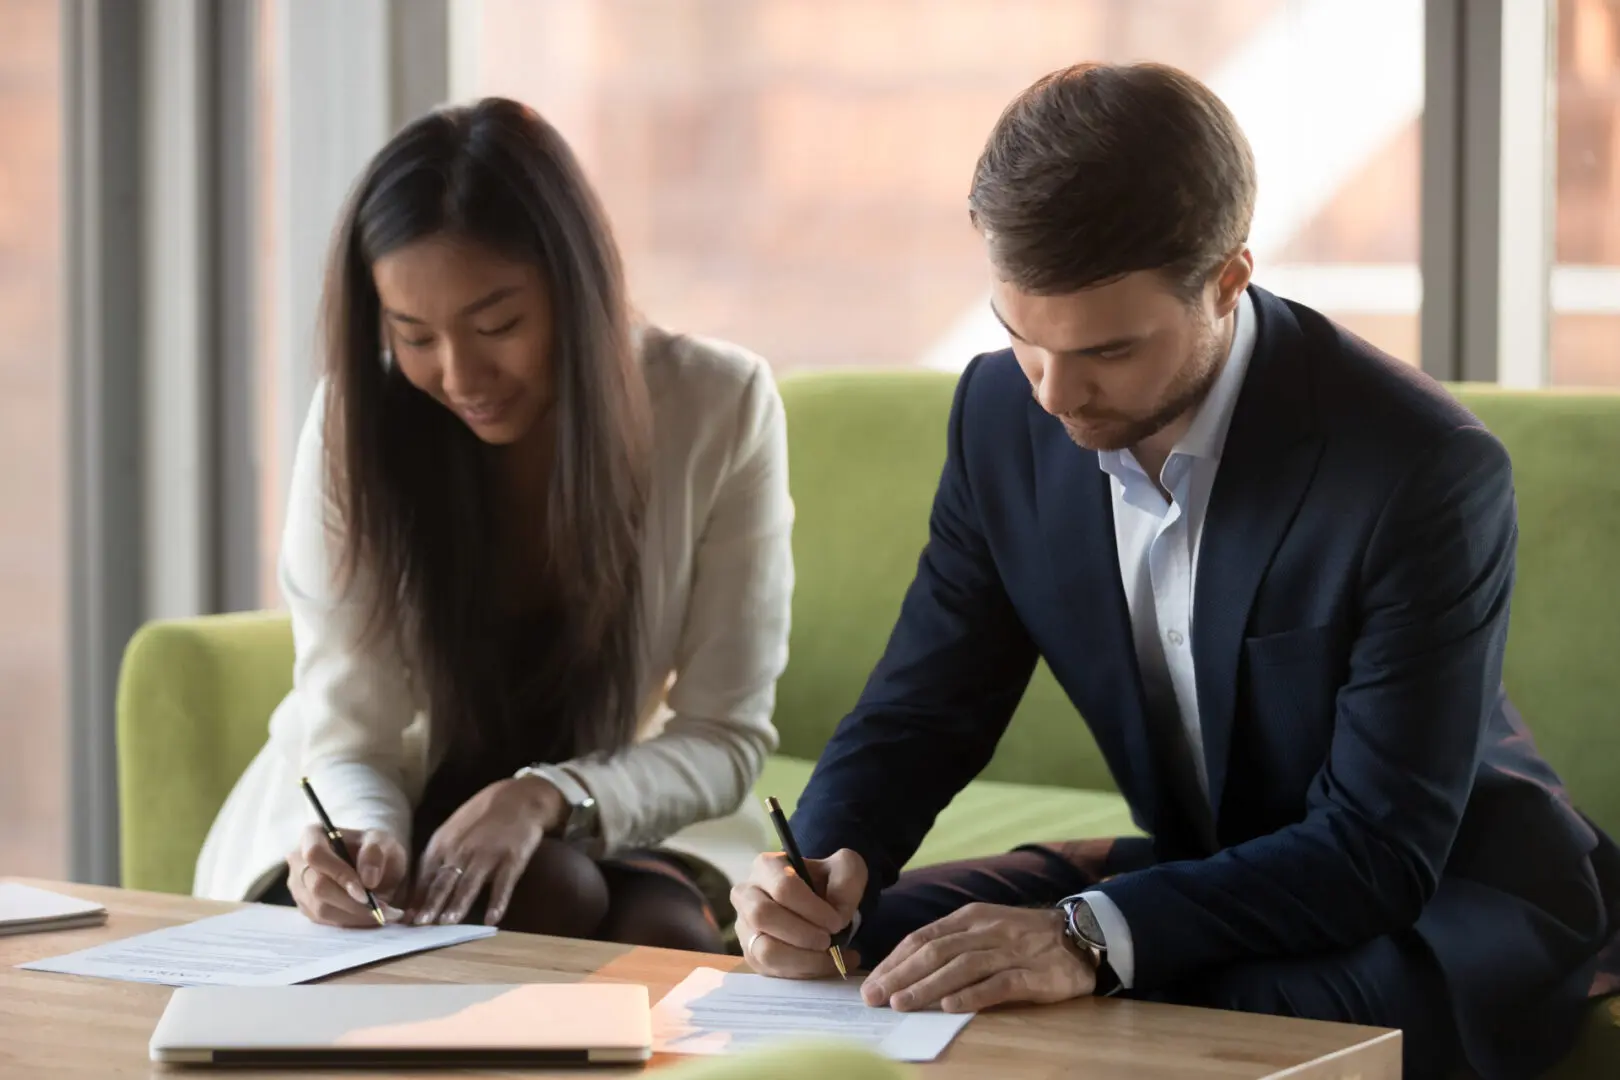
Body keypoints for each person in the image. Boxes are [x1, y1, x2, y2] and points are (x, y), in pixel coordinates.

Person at [731, 63, 1620, 1079]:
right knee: (872, 950)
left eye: (1109, 349)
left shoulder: (1419, 471)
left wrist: (1080, 938)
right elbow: (922, 712)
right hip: (1223, 870)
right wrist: (819, 870)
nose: (1057, 395)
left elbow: (1379, 848)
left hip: (1446, 896)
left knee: (1154, 1002)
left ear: (1229, 280)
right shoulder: (998, 415)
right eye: (1022, 337)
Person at [194, 97, 793, 954]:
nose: (461, 374)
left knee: (656, 940)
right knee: (539, 902)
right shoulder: (353, 424)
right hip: (388, 806)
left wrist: (545, 795)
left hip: (604, 805)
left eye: (498, 324)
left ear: (576, 289)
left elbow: (724, 736)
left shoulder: (716, 405)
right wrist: (363, 839)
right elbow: (351, 733)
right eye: (414, 335)